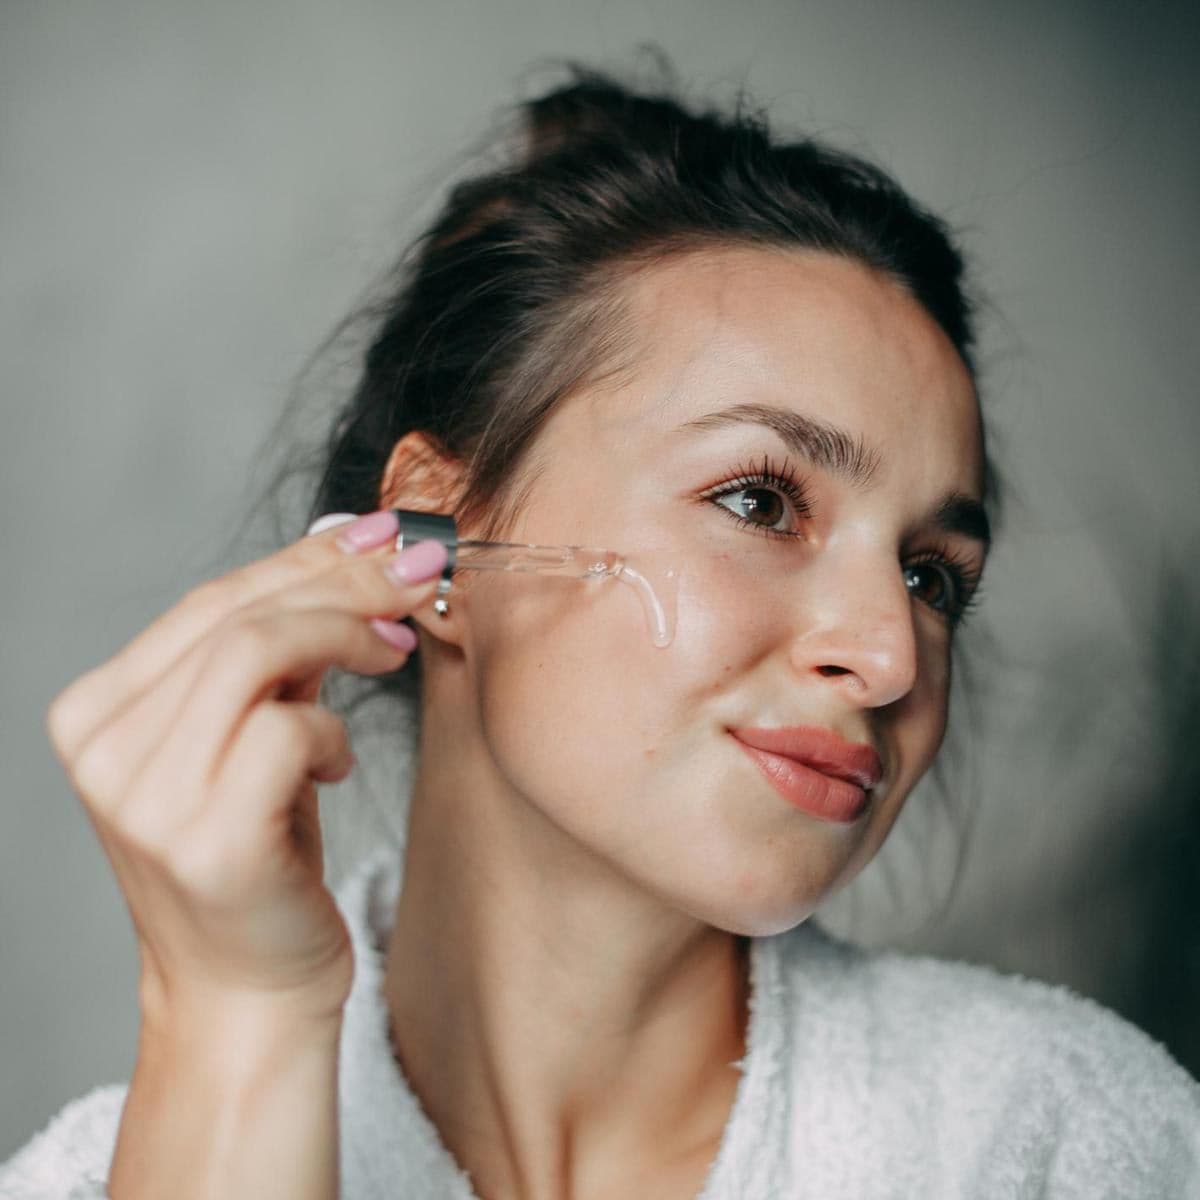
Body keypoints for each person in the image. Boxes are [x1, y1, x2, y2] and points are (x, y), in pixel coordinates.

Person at [4, 60, 1198, 1200]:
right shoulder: (107, 1176)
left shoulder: (1060, 1140)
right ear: (436, 544)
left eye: (935, 577)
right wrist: (240, 1021)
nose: (889, 656)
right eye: (761, 501)